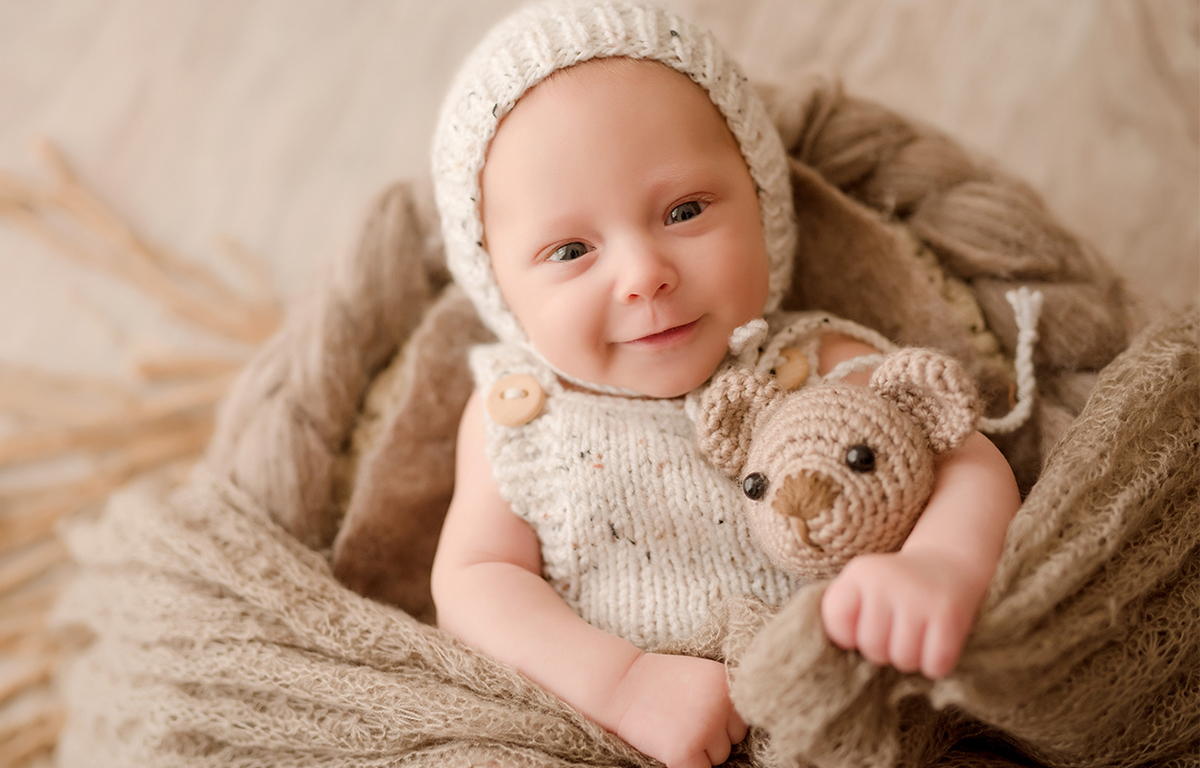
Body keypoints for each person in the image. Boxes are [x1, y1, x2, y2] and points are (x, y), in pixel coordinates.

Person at [428, 3, 1021, 767]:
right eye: (572, 249)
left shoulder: (808, 364)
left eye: (684, 210)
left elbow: (962, 457)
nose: (644, 276)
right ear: (501, 288)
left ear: (761, 200)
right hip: (619, 733)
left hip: (846, 719)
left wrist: (939, 566)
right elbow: (476, 585)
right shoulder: (520, 416)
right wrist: (624, 685)